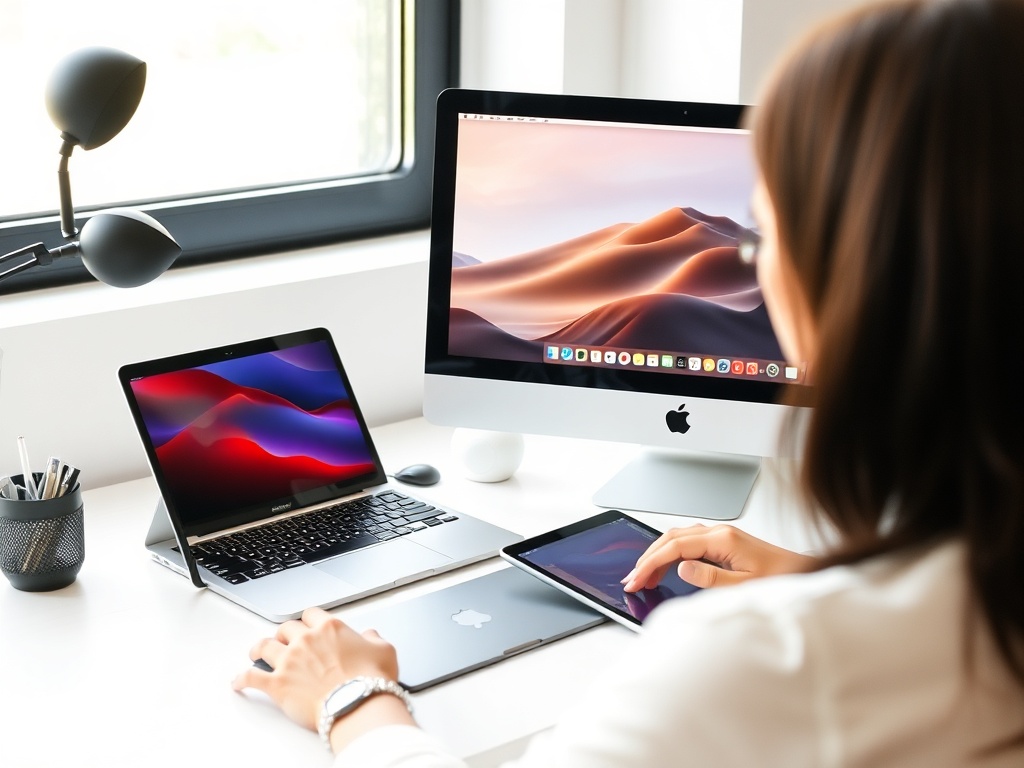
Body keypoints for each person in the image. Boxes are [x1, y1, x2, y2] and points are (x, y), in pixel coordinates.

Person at [232, 0, 1024, 764]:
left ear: (852, 282)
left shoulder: (766, 666)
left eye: (768, 225)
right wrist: (827, 578)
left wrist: (354, 699)